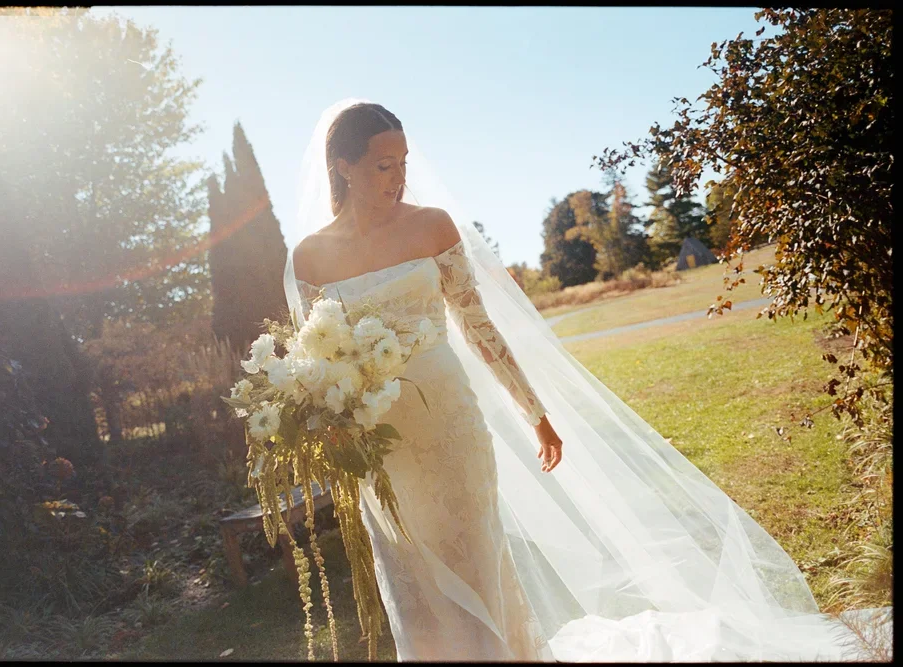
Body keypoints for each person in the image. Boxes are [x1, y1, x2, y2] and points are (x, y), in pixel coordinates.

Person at [283, 99, 890, 662]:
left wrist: (535, 413)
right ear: (344, 167)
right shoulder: (309, 258)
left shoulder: (432, 226)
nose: (399, 177)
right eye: (385, 165)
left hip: (448, 425)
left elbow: (480, 330)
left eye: (404, 163)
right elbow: (316, 365)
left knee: (477, 566)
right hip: (380, 447)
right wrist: (329, 437)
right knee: (413, 581)